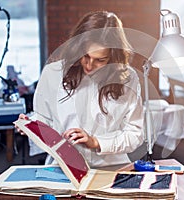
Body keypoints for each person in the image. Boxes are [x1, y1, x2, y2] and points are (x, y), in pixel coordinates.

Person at [16, 10, 144, 167]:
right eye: (85, 56)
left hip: (111, 168)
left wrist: (96, 142)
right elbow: (45, 119)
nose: (89, 65)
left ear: (113, 57)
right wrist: (31, 125)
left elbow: (135, 134)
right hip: (63, 167)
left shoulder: (127, 78)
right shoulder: (53, 73)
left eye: (100, 60)